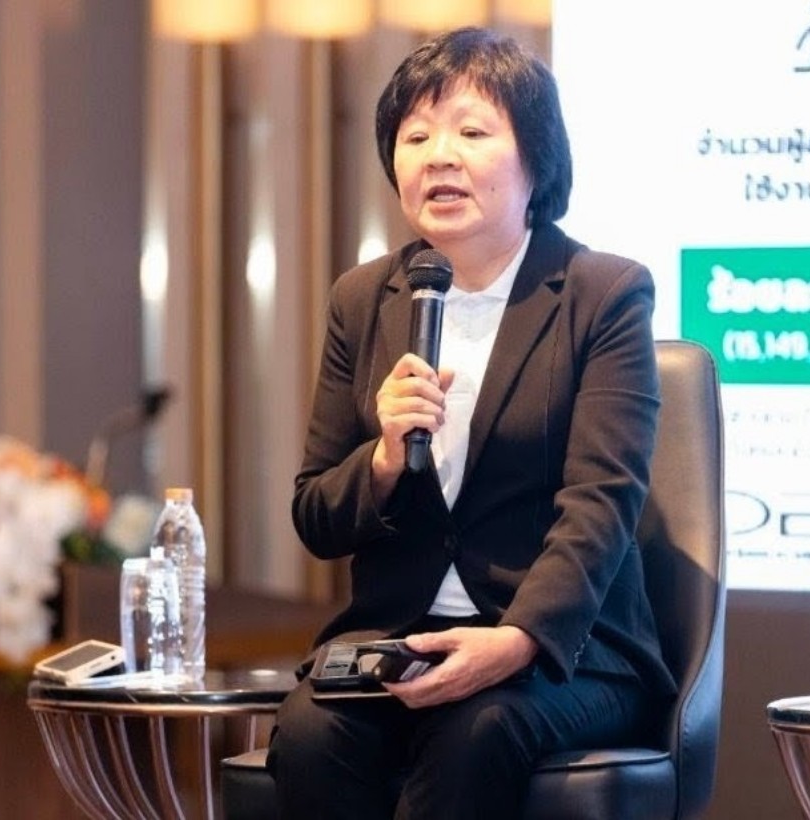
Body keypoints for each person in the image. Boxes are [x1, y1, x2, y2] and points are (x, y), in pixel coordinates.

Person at [267, 26, 675, 819]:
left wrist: (517, 640)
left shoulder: (602, 294)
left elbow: (602, 503)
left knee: (475, 732)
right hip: (401, 642)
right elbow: (316, 514)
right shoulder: (364, 299)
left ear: (536, 159)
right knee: (312, 734)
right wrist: (384, 459)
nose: (439, 157)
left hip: (564, 652)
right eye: (416, 136)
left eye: (472, 132)